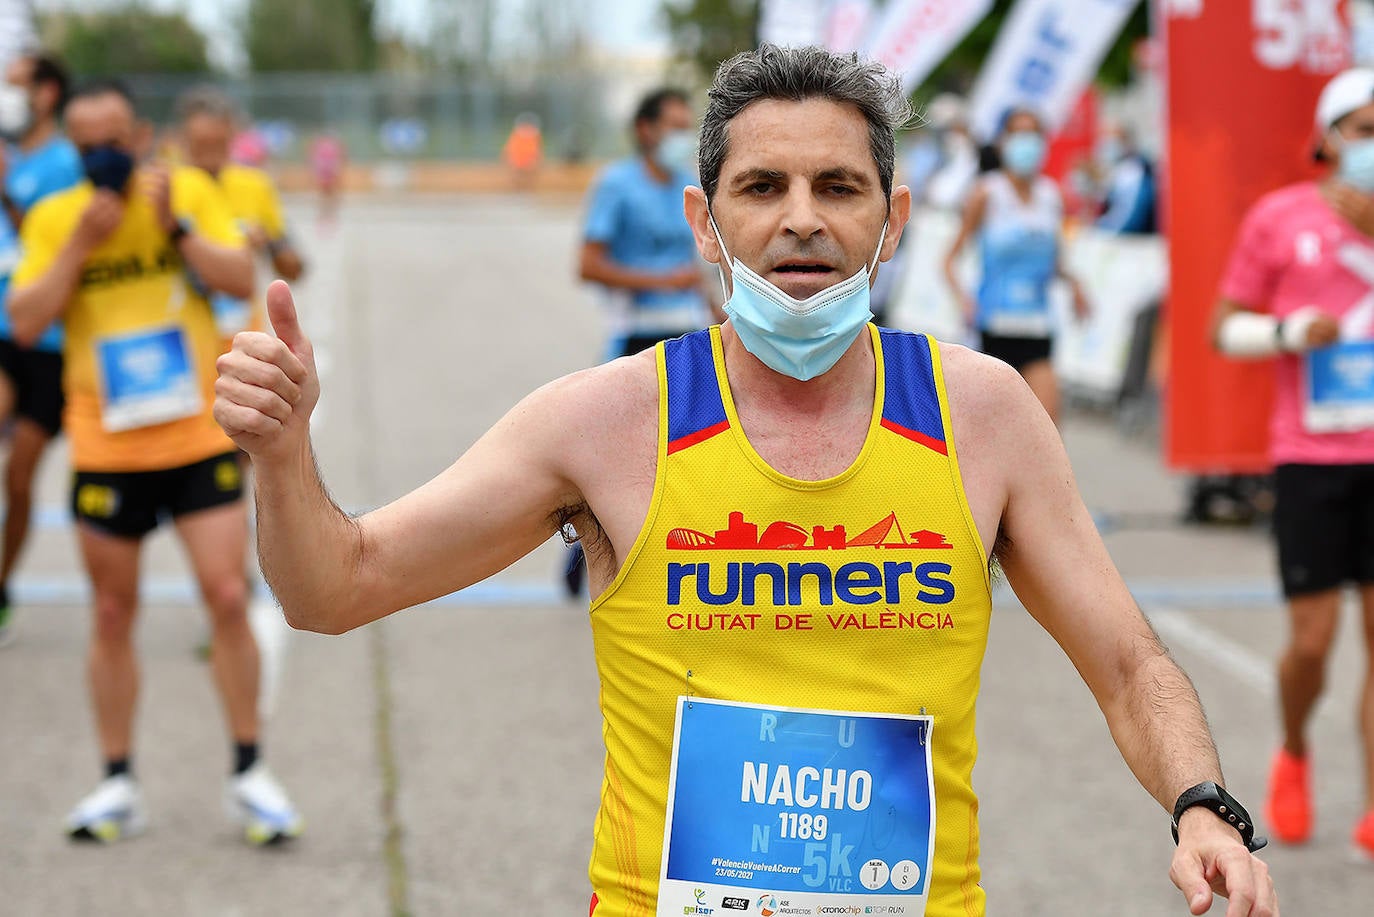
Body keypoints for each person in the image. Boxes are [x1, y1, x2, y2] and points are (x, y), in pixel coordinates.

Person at [217, 46, 1276, 916]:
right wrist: (282, 454)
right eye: (762, 187)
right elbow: (334, 586)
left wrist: (1200, 803)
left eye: (840, 187)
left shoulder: (984, 414)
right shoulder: (603, 420)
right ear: (704, 221)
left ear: (894, 218)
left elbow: (1129, 662)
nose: (801, 218)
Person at [6, 80, 302, 845]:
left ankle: (249, 770)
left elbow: (242, 276)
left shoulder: (188, 192)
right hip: (106, 445)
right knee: (110, 612)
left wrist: (172, 229)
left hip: (195, 438)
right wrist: (80, 245)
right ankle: (116, 780)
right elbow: (26, 316)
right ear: (72, 145)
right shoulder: (54, 216)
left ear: (140, 133)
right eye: (86, 142)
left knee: (229, 595)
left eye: (115, 137)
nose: (103, 153)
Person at [1214, 67, 1374, 860]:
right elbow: (1223, 326)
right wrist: (1287, 331)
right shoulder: (1283, 217)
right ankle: (1296, 748)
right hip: (1312, 456)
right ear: (1328, 137)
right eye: (1364, 128)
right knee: (1312, 642)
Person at [564, 87, 717, 594]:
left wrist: (720, 311)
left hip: (689, 332)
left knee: (690, 456)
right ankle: (580, 555)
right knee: (618, 457)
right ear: (644, 130)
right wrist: (658, 282)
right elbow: (587, 265)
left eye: (685, 127)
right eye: (672, 126)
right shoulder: (616, 184)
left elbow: (695, 267)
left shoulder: (687, 185)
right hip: (634, 334)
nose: (680, 137)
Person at [0, 51, 81, 646]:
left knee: (21, 480)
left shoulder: (68, 162)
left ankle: (2, 586)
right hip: (5, 334)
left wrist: (7, 191)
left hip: (54, 347)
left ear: (46, 94)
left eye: (16, 84)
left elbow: (61, 238)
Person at [942, 107, 1089, 424]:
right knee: (990, 435)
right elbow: (949, 261)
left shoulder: (1052, 196)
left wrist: (1075, 285)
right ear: (1003, 142)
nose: (1027, 141)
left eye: (1034, 133)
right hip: (993, 329)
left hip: (1037, 327)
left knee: (1048, 431)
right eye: (1018, 133)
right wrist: (964, 300)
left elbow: (1056, 262)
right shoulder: (987, 193)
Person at [177, 86, 305, 342]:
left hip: (242, 340)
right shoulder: (166, 188)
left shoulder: (255, 185)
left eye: (218, 144)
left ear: (232, 135)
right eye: (200, 145)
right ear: (183, 139)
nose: (209, 155)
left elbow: (295, 269)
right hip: (186, 342)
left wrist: (269, 242)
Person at [1094, 120, 1157, 235]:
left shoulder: (1134, 172)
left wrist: (1103, 230)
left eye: (1113, 140)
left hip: (1132, 241)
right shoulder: (1121, 170)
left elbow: (1131, 217)